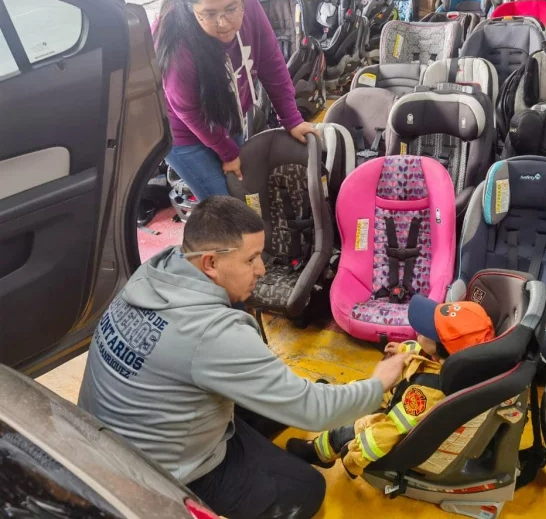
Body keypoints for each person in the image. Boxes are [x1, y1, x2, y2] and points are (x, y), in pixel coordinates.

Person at [78, 196, 409, 519]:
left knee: (285, 402)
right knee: (305, 489)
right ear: (210, 262)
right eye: (251, 260)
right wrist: (378, 381)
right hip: (161, 475)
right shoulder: (212, 334)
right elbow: (314, 411)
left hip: (112, 440)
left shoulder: (157, 271)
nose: (262, 269)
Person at [153, 0, 318, 201]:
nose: (223, 23)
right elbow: (188, 111)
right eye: (208, 14)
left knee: (244, 190)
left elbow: (271, 63)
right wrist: (228, 152)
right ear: (191, 10)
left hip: (229, 117)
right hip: (183, 135)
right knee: (228, 207)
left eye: (231, 9)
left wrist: (291, 119)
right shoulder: (177, 41)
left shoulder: (249, 2)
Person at [286, 297, 495, 476]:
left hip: (389, 416)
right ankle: (329, 398)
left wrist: (356, 458)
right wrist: (404, 348)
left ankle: (320, 452)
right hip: (397, 395)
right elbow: (421, 353)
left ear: (443, 350)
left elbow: (394, 427)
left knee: (347, 429)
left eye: (426, 331)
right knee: (361, 388)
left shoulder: (427, 392)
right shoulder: (440, 359)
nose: (418, 330)